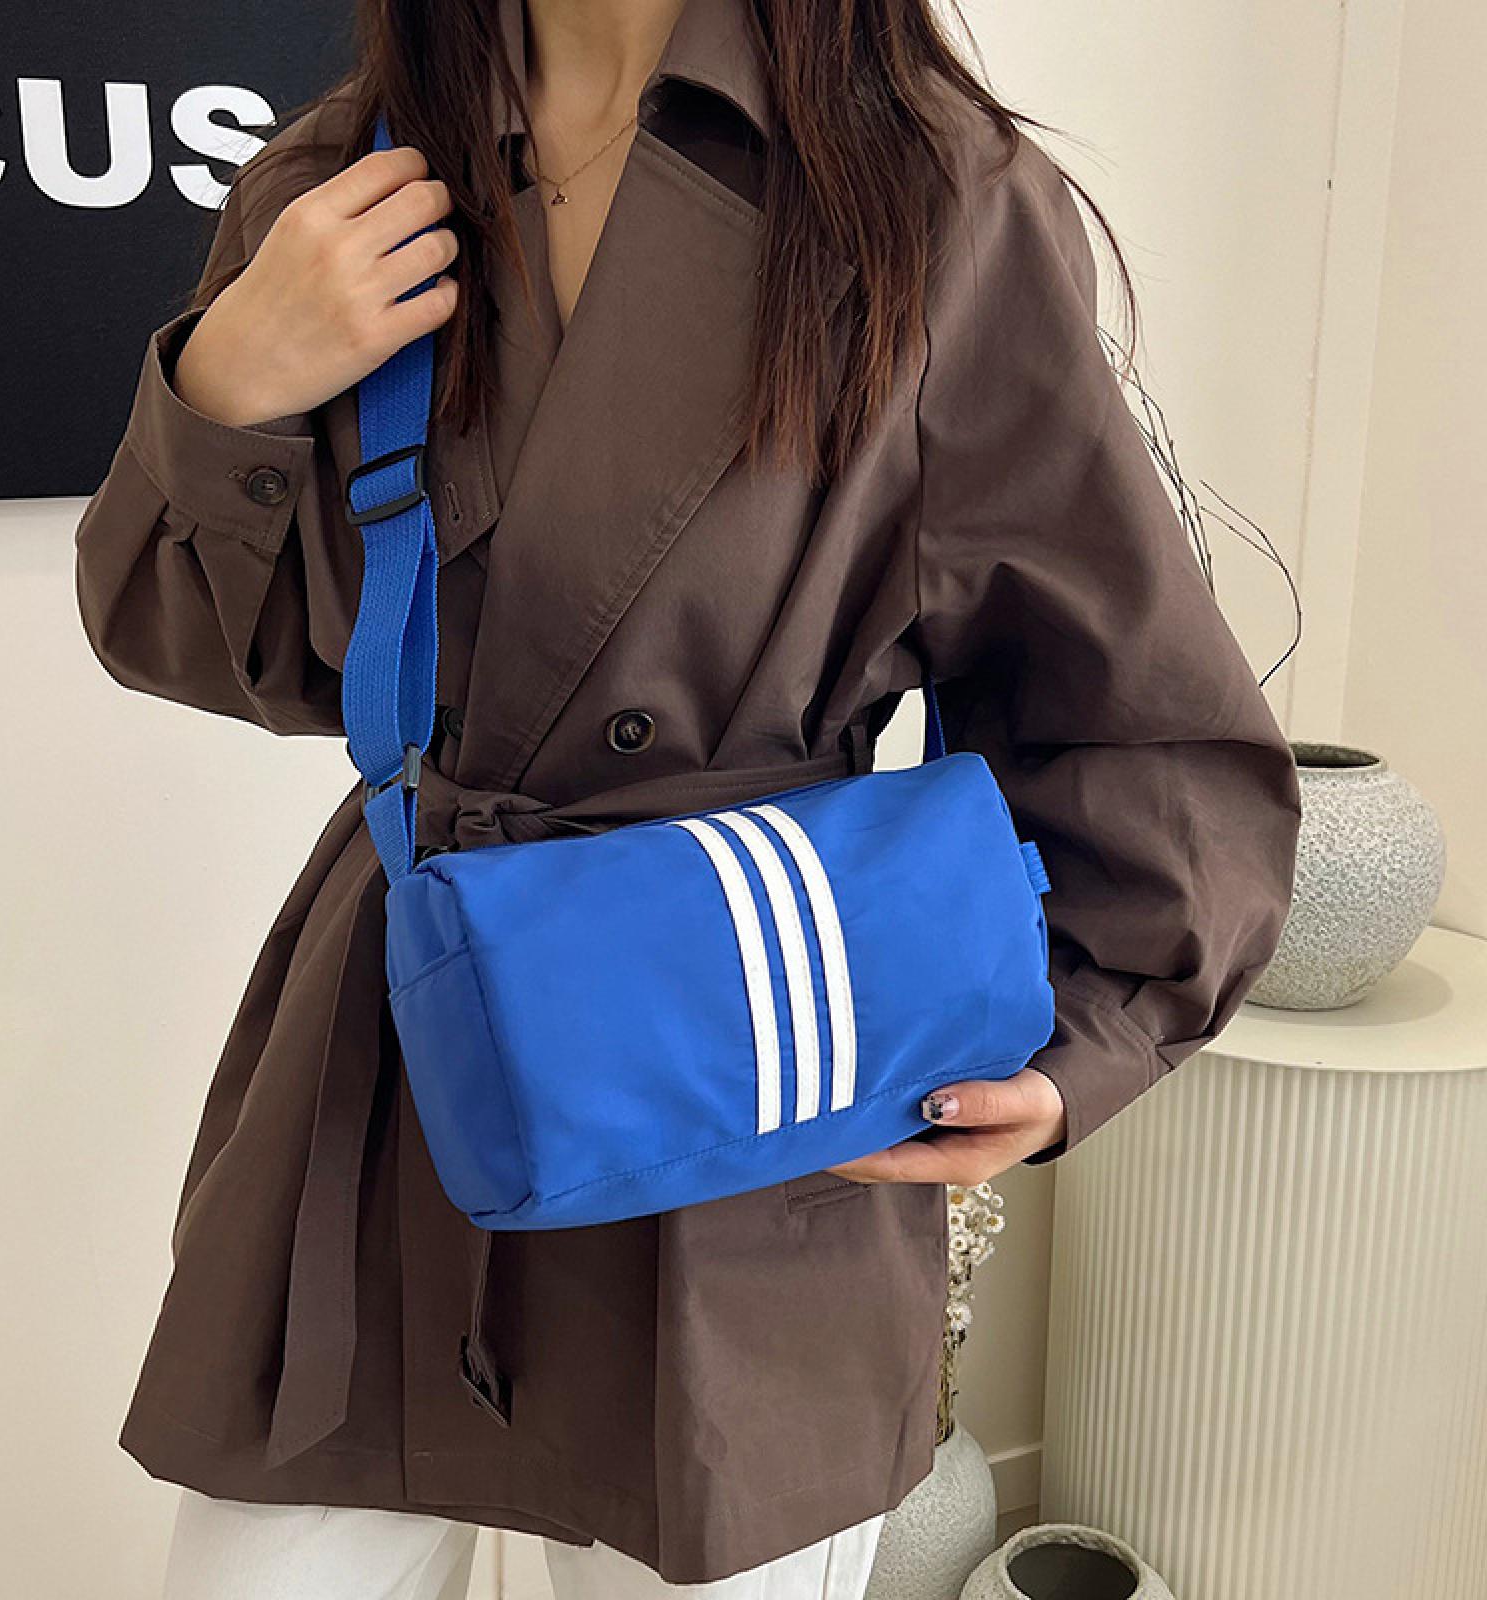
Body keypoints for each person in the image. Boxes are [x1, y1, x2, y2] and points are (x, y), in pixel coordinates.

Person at [72, 0, 1302, 1592]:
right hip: (406, 1034)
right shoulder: (344, 176)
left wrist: (1090, 1029)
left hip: (755, 1049)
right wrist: (229, 386)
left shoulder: (928, 196)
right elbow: (196, 644)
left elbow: (1132, 700)